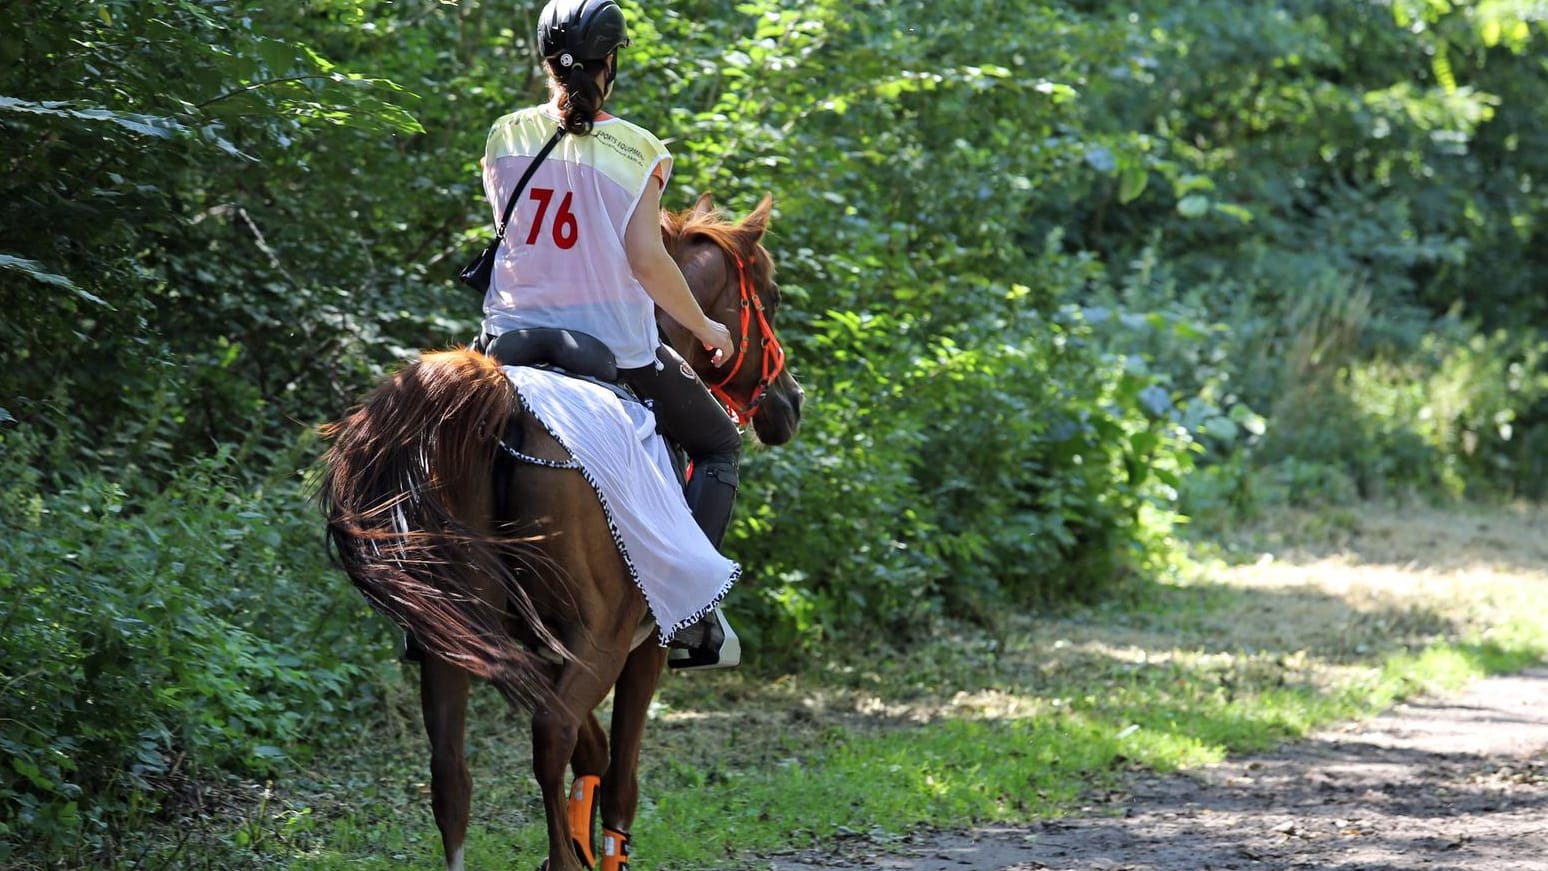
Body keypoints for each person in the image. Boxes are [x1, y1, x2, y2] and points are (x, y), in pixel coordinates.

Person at [478, 0, 742, 670]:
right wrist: (706, 324)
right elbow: (649, 262)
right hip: (608, 349)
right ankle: (688, 611)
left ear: (544, 60)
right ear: (612, 62)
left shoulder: (504, 135)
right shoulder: (640, 150)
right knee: (718, 443)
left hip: (505, 341)